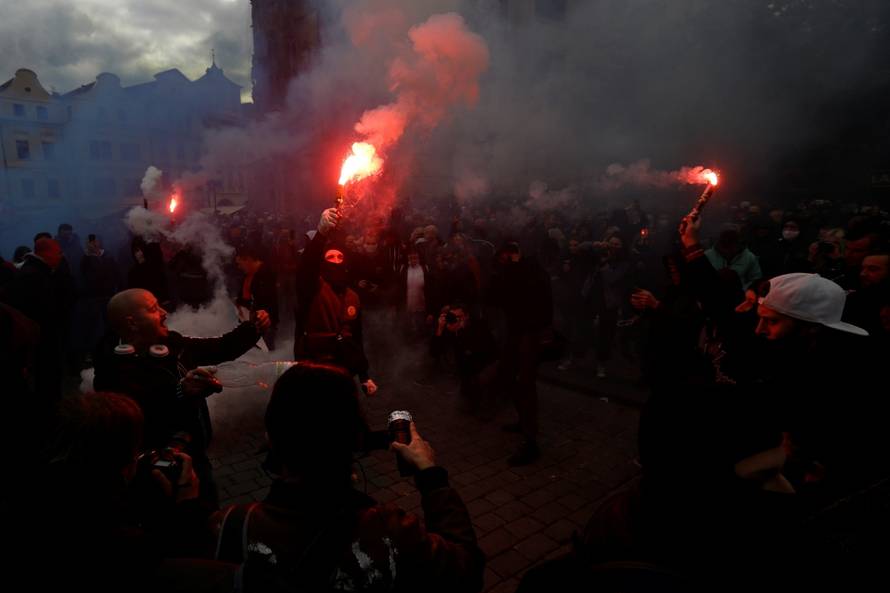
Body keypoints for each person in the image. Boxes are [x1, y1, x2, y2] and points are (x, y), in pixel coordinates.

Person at [212, 363, 484, 593]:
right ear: (355, 439)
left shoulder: (229, 528)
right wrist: (431, 476)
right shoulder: (391, 534)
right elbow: (467, 571)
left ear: (269, 437)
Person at [93, 288, 271, 508]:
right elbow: (139, 416)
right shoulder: (112, 370)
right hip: (158, 470)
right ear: (132, 323)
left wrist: (253, 328)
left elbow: (217, 348)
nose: (164, 312)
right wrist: (181, 392)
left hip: (194, 454)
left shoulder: (169, 343)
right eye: (153, 309)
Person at [293, 208, 377, 395]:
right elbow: (307, 267)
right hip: (314, 366)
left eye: (340, 257)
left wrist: (364, 375)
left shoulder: (352, 296)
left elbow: (357, 338)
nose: (336, 261)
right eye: (330, 257)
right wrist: (321, 233)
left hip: (343, 367)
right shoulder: (313, 287)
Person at [489, 240, 553, 466]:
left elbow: (534, 296)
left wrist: (514, 267)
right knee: (507, 376)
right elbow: (501, 297)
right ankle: (522, 421)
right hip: (515, 331)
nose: (502, 262)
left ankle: (531, 441)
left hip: (530, 333)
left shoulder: (532, 270)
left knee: (526, 383)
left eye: (505, 257)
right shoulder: (510, 270)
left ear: (513, 254)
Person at [0, 237, 68, 402]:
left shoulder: (34, 272)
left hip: (40, 337)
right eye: (58, 253)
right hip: (41, 339)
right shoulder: (34, 276)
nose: (61, 256)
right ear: (48, 254)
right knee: (45, 376)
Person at [431, 303, 498, 416]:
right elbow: (434, 352)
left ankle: (487, 401)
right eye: (452, 317)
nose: (454, 320)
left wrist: (461, 332)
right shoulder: (451, 327)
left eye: (459, 317)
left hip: (488, 364)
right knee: (465, 402)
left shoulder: (479, 325)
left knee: (482, 408)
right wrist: (440, 328)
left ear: (466, 316)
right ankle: (470, 392)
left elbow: (481, 353)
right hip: (468, 367)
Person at [235, 245, 279, 350]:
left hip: (263, 325)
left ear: (248, 260)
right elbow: (244, 297)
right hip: (250, 324)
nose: (239, 267)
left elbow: (267, 302)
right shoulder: (248, 275)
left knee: (265, 355)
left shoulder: (266, 274)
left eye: (240, 263)